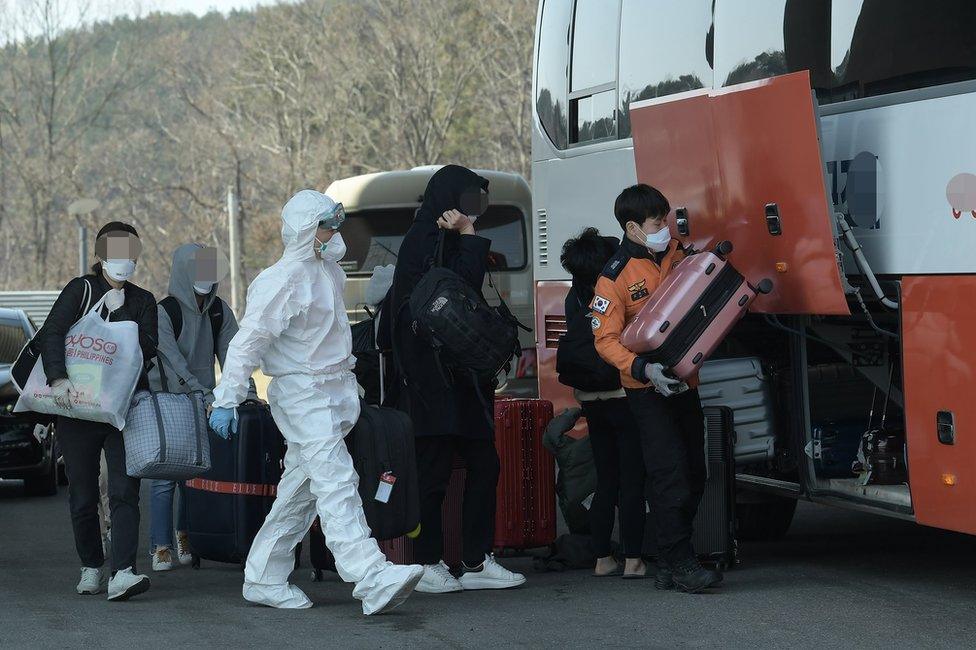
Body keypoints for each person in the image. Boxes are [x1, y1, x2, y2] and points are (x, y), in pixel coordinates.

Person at [208, 189, 424, 615]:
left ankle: (264, 575)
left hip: (333, 391)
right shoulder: (281, 280)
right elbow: (248, 342)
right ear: (308, 230)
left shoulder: (327, 272)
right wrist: (227, 397)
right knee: (336, 480)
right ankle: (369, 575)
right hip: (304, 393)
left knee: (302, 491)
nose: (335, 232)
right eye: (328, 225)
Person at [387, 165, 525, 594]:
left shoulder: (440, 236)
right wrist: (467, 236)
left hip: (462, 377)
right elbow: (459, 289)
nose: (475, 210)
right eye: (471, 200)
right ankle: (426, 562)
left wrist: (466, 235)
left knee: (485, 463)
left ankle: (474, 559)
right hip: (430, 379)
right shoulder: (423, 239)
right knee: (434, 472)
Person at [591, 184, 723, 593]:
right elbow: (605, 340)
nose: (665, 228)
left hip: (685, 381)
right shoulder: (612, 279)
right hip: (646, 390)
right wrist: (643, 368)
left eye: (665, 221)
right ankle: (680, 562)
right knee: (670, 476)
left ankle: (668, 557)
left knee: (696, 473)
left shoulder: (679, 254)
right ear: (632, 228)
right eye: (656, 223)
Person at [37, 221, 158, 600]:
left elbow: (150, 351)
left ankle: (123, 571)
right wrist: (58, 379)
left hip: (122, 410)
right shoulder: (81, 290)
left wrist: (122, 320)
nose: (124, 260)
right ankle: (91, 565)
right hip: (76, 407)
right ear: (100, 254)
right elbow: (52, 332)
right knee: (83, 494)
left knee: (124, 490)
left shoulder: (143, 301)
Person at [147, 243, 256, 571]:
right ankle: (160, 544)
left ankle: (186, 534)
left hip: (205, 400)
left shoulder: (220, 311)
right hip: (169, 399)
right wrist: (207, 397)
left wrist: (245, 393)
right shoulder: (163, 311)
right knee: (165, 474)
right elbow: (173, 363)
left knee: (193, 474)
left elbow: (236, 357)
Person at [559, 228, 648, 579]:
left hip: (590, 398)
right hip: (621, 393)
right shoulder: (613, 288)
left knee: (606, 477)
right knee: (631, 479)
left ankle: (601, 558)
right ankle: (633, 559)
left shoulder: (575, 296)